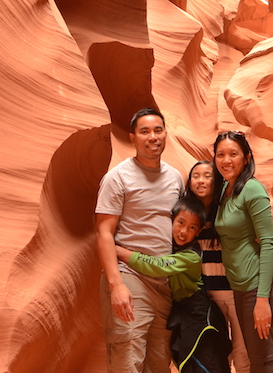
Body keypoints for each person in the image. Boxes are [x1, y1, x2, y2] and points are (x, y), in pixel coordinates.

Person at [95, 107, 183, 373]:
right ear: (132, 138)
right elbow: (104, 233)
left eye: (158, 130)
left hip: (164, 282)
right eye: (144, 131)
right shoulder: (118, 178)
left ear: (166, 134)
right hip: (131, 278)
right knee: (127, 360)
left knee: (158, 363)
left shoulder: (175, 177)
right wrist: (117, 285)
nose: (152, 137)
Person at [114, 196, 232, 373]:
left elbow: (157, 266)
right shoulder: (173, 248)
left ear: (198, 231)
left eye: (191, 228)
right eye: (180, 223)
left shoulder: (191, 256)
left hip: (198, 315)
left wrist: (119, 250)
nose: (183, 231)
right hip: (183, 312)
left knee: (205, 364)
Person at [213, 131, 273, 373]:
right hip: (241, 287)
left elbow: (268, 243)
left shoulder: (252, 189)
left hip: (261, 284)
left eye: (233, 154)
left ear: (246, 158)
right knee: (258, 360)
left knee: (265, 360)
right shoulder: (226, 188)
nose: (226, 160)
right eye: (220, 154)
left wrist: (262, 300)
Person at [184, 161, 251, 373]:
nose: (201, 180)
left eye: (207, 176)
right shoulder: (187, 216)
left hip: (235, 291)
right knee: (219, 353)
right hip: (208, 296)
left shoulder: (228, 210)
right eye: (196, 176)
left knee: (243, 353)